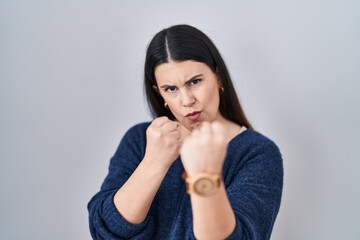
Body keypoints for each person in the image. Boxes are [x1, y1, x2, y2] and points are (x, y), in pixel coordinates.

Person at [88, 24, 283, 240]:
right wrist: (154, 163)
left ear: (217, 77)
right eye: (171, 89)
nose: (187, 101)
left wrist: (205, 177)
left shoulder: (257, 153)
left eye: (195, 82)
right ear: (159, 93)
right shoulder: (140, 140)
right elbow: (105, 231)